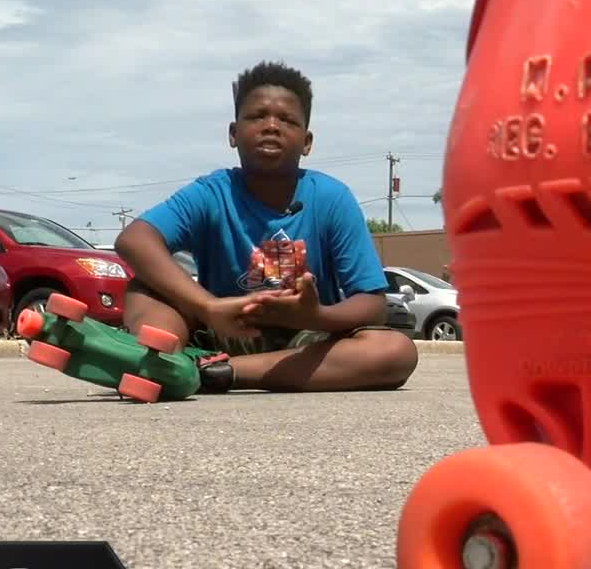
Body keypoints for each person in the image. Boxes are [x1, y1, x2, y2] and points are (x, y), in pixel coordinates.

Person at [113, 60, 419, 393]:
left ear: (307, 141)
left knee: (396, 351)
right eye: (257, 116)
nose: (271, 126)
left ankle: (206, 373)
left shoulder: (332, 198)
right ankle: (160, 357)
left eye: (287, 120)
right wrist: (208, 307)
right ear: (233, 133)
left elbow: (372, 304)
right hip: (225, 329)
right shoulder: (212, 192)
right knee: (145, 287)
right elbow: (135, 239)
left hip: (306, 344)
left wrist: (314, 315)